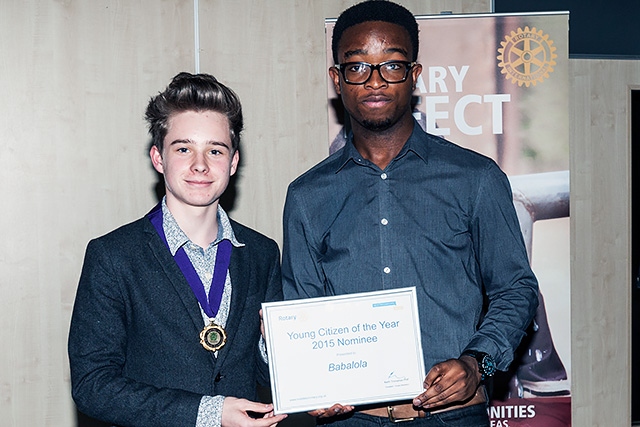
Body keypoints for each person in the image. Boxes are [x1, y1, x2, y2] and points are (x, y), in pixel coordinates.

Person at [281, 1, 539, 426]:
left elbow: (515, 288)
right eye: (358, 67)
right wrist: (311, 379)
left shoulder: (475, 178)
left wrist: (477, 364)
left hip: (452, 417)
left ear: (414, 75)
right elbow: (303, 310)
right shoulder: (307, 196)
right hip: (351, 420)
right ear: (337, 79)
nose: (376, 81)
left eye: (393, 66)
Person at [68, 72, 287, 427]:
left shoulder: (262, 253)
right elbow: (93, 385)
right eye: (183, 149)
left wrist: (274, 346)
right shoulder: (112, 256)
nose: (200, 164)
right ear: (158, 158)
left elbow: (265, 375)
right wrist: (209, 413)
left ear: (232, 163)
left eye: (215, 150)